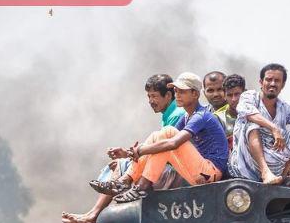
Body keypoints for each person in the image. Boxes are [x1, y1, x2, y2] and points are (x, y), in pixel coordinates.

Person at [62, 73, 184, 223]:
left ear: (168, 95)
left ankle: (94, 214)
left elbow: (165, 151)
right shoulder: (169, 114)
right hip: (164, 164)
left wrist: (129, 157)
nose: (150, 101)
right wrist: (128, 154)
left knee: (120, 166)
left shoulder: (177, 115)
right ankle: (93, 213)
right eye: (148, 96)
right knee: (120, 164)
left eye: (154, 96)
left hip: (173, 170)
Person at [95, 73, 231, 203]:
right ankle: (124, 181)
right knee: (159, 136)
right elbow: (163, 141)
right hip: (198, 172)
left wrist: (141, 150)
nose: (177, 95)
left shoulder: (201, 116)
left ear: (195, 94)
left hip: (210, 173)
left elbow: (173, 143)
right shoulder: (186, 117)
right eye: (176, 91)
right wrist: (131, 153)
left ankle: (140, 188)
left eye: (182, 92)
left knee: (167, 134)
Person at [213, 73, 245, 144]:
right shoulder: (218, 118)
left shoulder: (254, 113)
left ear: (244, 93)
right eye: (230, 95)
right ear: (224, 96)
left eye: (237, 94)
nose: (234, 99)